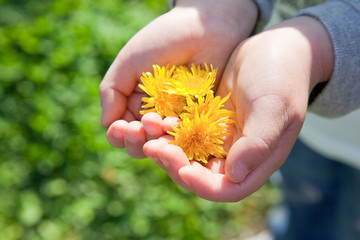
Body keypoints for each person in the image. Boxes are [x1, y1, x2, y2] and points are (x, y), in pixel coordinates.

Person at [99, 0, 360, 239]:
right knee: (303, 194)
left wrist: (309, 51)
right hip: (302, 125)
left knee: (349, 219)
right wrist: (221, 8)